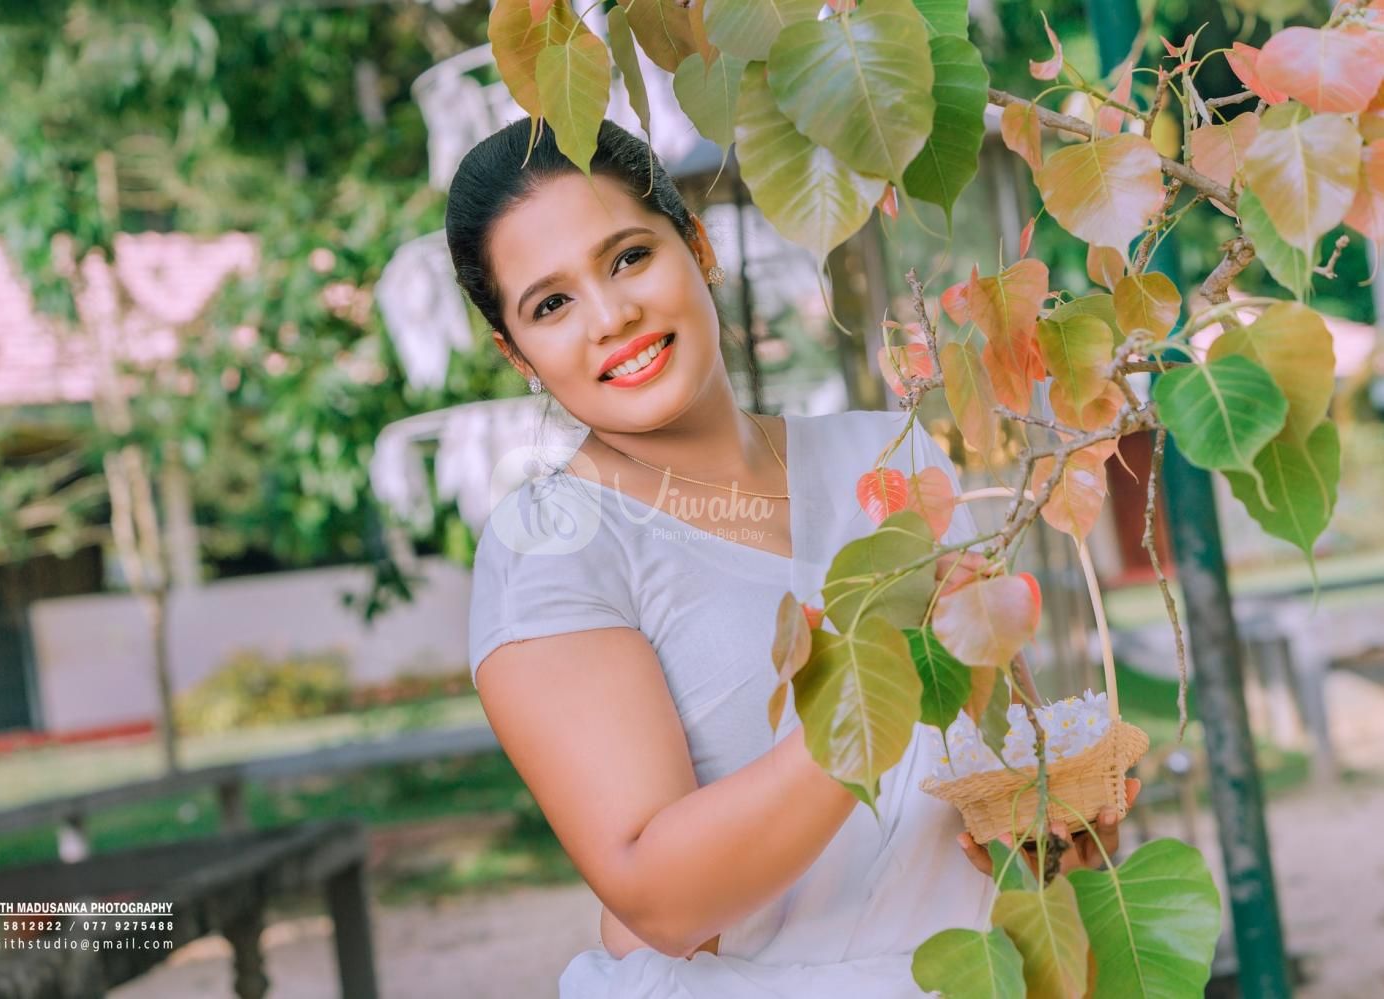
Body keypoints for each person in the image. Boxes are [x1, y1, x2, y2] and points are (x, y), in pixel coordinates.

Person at [445, 117, 1133, 998]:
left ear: (698, 246)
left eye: (628, 257)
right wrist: (885, 674)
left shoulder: (889, 460)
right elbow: (660, 899)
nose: (612, 317)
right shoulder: (555, 547)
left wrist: (1056, 830)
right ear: (517, 353)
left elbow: (989, 778)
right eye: (551, 304)